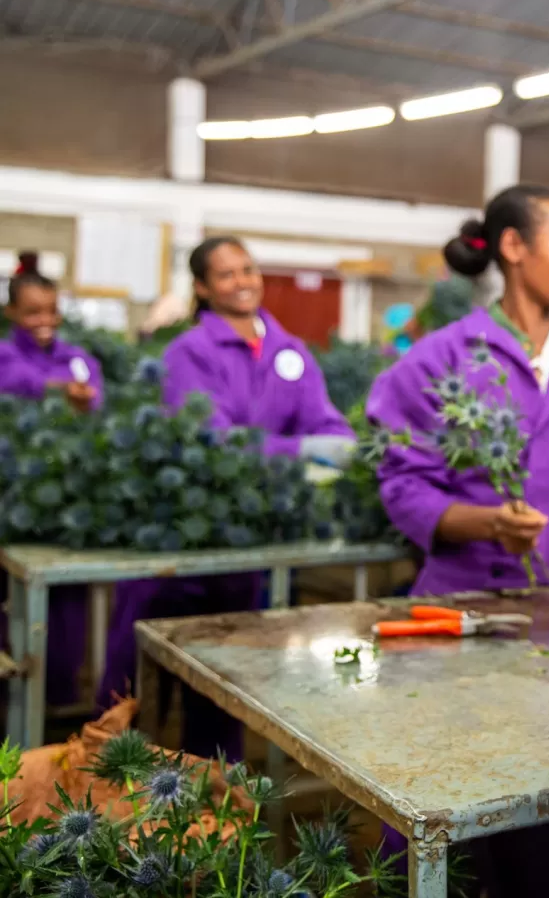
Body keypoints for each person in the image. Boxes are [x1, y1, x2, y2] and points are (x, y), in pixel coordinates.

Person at [366, 183, 549, 895]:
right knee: (442, 810)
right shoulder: (439, 361)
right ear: (515, 249)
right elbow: (403, 485)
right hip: (456, 617)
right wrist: (486, 523)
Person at [95, 236, 356, 759]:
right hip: (180, 542)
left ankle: (215, 814)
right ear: (202, 288)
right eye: (227, 275)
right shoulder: (189, 352)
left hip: (248, 543)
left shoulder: (290, 353)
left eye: (248, 269)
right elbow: (209, 439)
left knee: (222, 689)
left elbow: (323, 420)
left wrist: (340, 441)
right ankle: (106, 801)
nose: (243, 282)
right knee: (134, 696)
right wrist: (299, 450)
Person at [0, 256, 102, 707]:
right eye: (32, 312)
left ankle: (59, 697)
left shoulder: (78, 359)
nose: (44, 321)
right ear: (11, 314)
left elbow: (97, 404)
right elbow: (17, 381)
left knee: (68, 604)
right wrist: (61, 391)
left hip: (66, 504)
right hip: (11, 503)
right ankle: (14, 702)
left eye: (51, 311)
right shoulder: (5, 356)